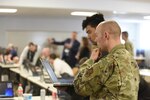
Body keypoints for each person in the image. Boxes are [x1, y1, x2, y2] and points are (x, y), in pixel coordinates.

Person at [74, 20, 139, 100]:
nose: (96, 40)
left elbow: (79, 87)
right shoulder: (131, 59)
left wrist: (90, 61)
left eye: (97, 35)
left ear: (106, 35)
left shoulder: (108, 61)